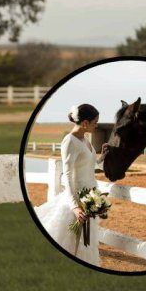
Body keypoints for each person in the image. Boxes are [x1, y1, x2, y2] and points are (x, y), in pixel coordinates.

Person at [34, 102, 110, 266]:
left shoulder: (85, 140)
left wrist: (101, 157)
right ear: (85, 123)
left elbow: (88, 166)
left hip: (90, 196)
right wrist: (75, 206)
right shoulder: (70, 141)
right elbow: (67, 175)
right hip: (76, 199)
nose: (96, 126)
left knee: (85, 242)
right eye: (95, 122)